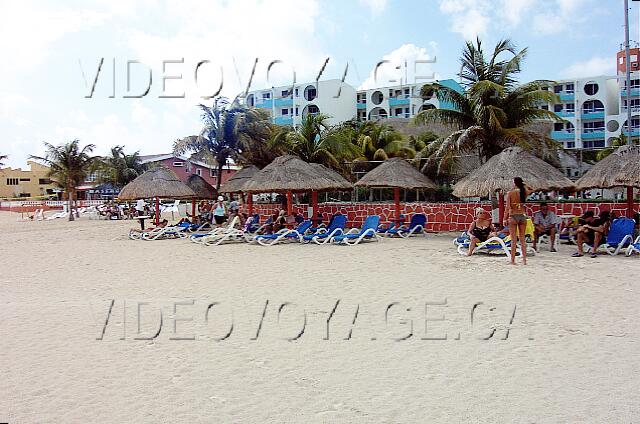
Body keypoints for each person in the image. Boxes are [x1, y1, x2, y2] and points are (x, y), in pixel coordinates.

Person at [504, 177, 533, 265]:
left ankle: (512, 260)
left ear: (514, 183)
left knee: (513, 240)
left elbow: (507, 207)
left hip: (513, 216)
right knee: (522, 239)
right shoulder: (524, 192)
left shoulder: (510, 193)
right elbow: (531, 189)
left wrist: (504, 218)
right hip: (522, 215)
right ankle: (524, 260)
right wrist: (524, 185)